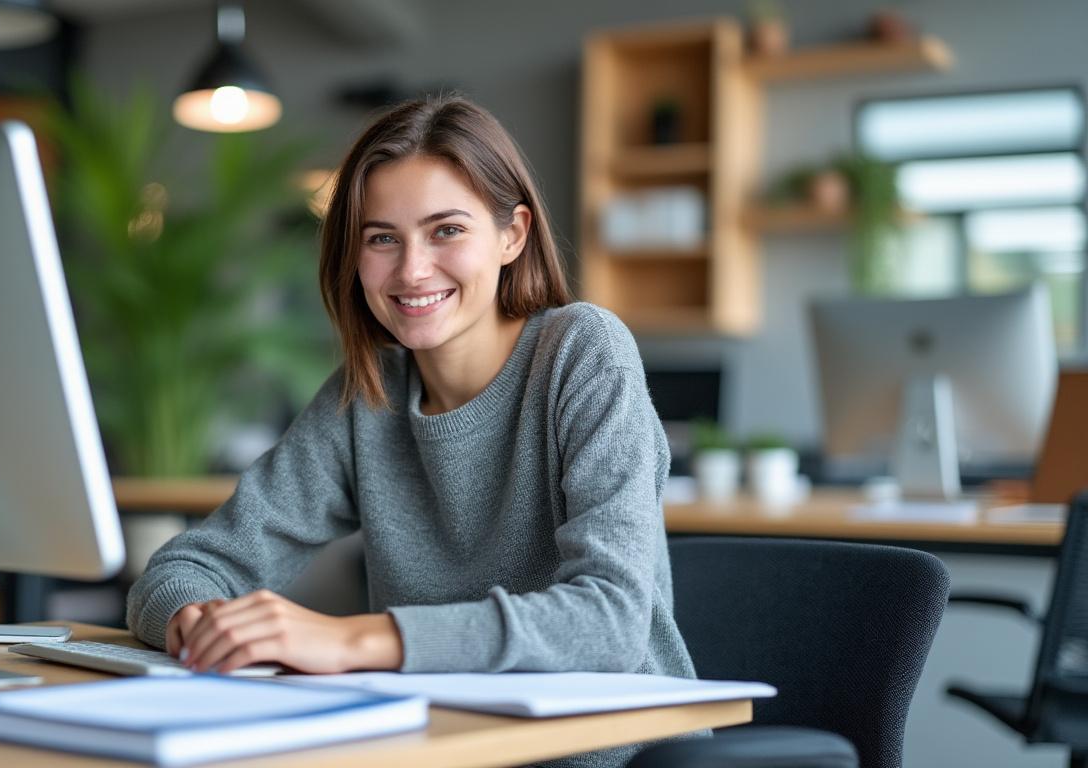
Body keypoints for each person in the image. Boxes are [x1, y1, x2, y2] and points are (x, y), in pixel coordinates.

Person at [126, 94, 699, 766]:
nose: (411, 270)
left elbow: (610, 620)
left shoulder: (582, 351)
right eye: (381, 238)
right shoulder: (366, 394)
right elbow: (185, 567)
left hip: (609, 756)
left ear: (512, 234)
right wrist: (197, 622)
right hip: (440, 751)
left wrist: (352, 642)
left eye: (447, 230)